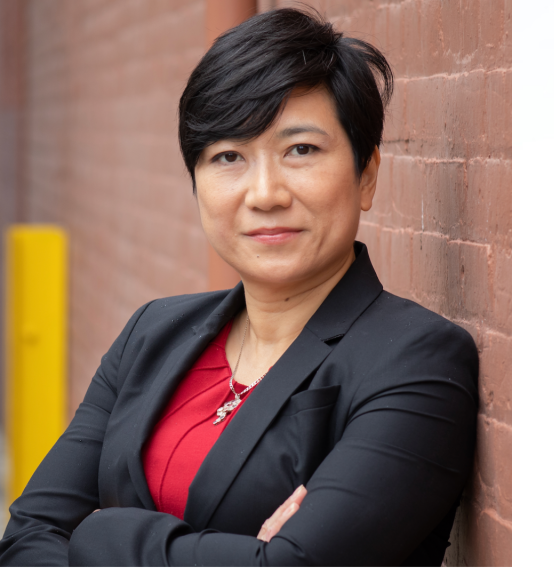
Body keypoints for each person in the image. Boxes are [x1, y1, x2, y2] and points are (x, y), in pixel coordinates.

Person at [0, 8, 477, 567]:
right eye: (229, 157)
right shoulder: (152, 334)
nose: (265, 193)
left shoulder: (416, 361)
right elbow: (27, 536)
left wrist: (97, 536)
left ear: (366, 173)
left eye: (300, 150)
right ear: (196, 182)